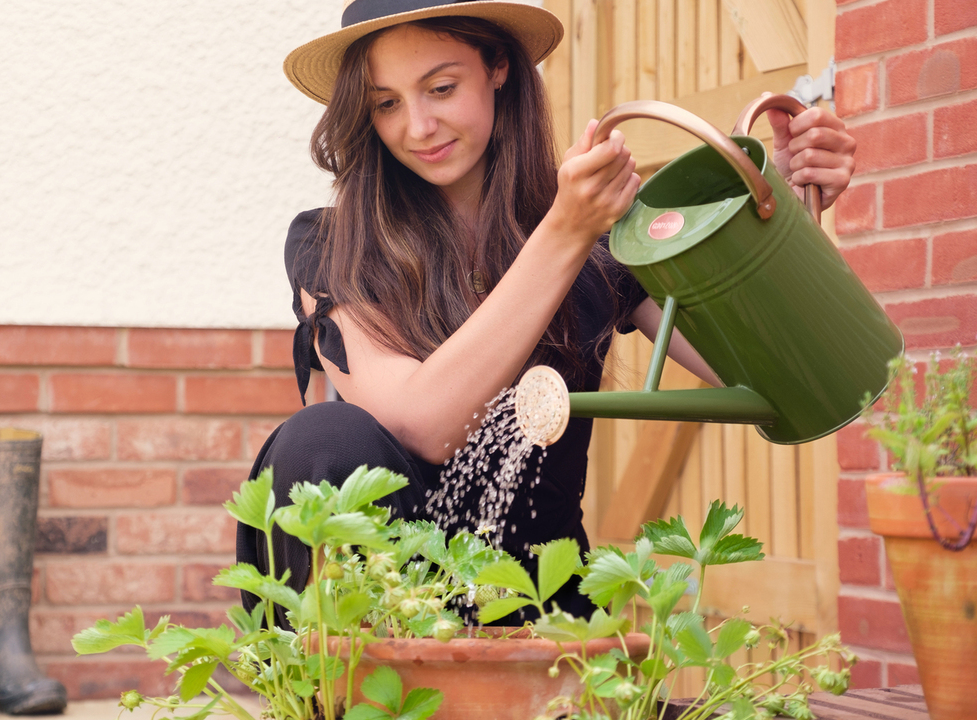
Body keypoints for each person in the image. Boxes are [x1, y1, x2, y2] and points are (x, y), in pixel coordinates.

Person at [238, 0, 857, 624]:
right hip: (388, 604)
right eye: (386, 103)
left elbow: (771, 377)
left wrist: (776, 219)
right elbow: (420, 424)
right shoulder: (332, 245)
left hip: (542, 606)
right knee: (319, 439)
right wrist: (564, 233)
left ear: (498, 68)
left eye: (442, 88)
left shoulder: (602, 240)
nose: (418, 126)